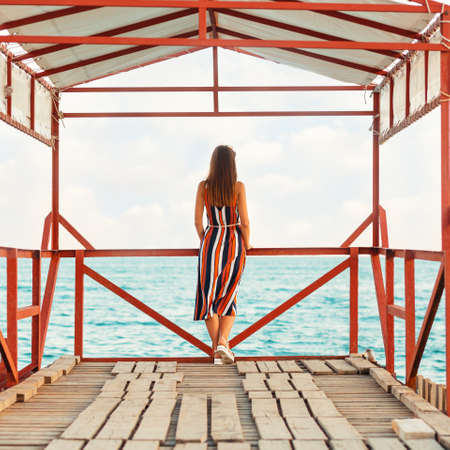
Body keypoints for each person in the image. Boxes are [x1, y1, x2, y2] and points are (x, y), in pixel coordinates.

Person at [193, 145, 251, 364]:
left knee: (208, 298)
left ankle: (218, 348)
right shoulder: (238, 187)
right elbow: (244, 222)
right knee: (228, 295)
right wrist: (248, 243)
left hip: (210, 243)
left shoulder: (203, 187)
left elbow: (198, 222)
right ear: (232, 165)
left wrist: (207, 241)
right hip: (234, 244)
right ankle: (223, 344)